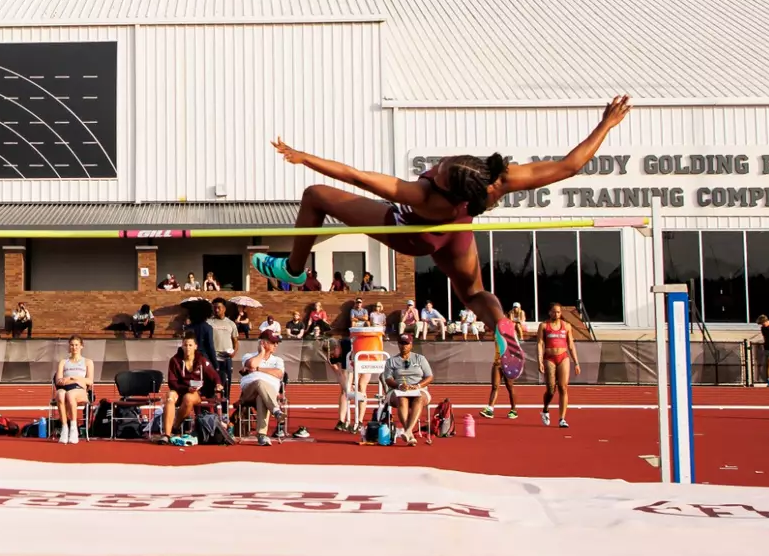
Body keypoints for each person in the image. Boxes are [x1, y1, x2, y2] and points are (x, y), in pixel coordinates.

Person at [257, 95, 632, 380]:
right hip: (456, 235)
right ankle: (499, 322)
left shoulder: (423, 195)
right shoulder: (498, 179)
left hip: (410, 233)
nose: (438, 169)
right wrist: (606, 124)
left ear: (446, 186)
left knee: (315, 196)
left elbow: (357, 177)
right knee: (473, 294)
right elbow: (570, 165)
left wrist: (305, 157)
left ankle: (292, 268)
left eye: (440, 173)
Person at [161, 332, 220, 439]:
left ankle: (176, 426)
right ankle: (166, 434)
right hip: (179, 390)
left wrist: (218, 384)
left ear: (195, 347)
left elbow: (214, 375)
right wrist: (185, 388)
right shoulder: (175, 361)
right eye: (185, 345)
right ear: (182, 346)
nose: (187, 348)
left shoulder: (201, 360)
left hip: (194, 393)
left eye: (190, 345)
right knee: (169, 397)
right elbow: (172, 382)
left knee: (188, 398)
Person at [378, 332, 434, 445]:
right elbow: (387, 379)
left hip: (418, 388)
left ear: (411, 345)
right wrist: (399, 386)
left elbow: (429, 376)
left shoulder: (420, 359)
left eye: (406, 343)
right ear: (398, 345)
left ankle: (408, 432)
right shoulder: (391, 361)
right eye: (401, 343)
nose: (404, 346)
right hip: (398, 389)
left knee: (420, 398)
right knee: (402, 399)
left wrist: (418, 386)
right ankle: (410, 433)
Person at [238, 331, 286, 446]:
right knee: (259, 382)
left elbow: (279, 373)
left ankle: (262, 436)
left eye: (277, 343)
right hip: (249, 392)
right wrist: (261, 353)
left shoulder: (278, 360)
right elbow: (251, 365)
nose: (276, 345)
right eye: (273, 342)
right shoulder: (249, 356)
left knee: (261, 397)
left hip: (268, 393)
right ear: (263, 343)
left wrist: (259, 369)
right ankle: (276, 410)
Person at [537, 302, 579, 427]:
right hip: (549, 358)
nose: (557, 314)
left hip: (563, 357)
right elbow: (539, 344)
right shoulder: (544, 326)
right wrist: (540, 361)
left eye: (559, 312)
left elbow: (571, 345)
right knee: (550, 389)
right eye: (554, 311)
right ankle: (545, 409)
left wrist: (576, 362)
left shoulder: (566, 326)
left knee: (563, 387)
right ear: (550, 312)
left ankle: (562, 418)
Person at [53, 335, 94, 444]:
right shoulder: (63, 362)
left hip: (80, 390)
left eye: (76, 345)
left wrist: (73, 378)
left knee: (70, 395)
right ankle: (64, 428)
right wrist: (69, 381)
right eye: (72, 345)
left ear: (81, 346)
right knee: (60, 394)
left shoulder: (88, 362)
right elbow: (59, 380)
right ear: (69, 346)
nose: (74, 347)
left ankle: (74, 428)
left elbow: (89, 381)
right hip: (65, 388)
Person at [205, 299, 240, 400]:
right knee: (211, 381)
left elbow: (235, 341)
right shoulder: (208, 322)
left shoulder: (231, 324)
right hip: (212, 357)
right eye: (214, 307)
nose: (216, 310)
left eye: (218, 307)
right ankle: (211, 402)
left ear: (224, 309)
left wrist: (234, 352)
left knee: (227, 381)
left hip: (226, 357)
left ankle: (226, 401)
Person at [480, 340, 518, 420]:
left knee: (510, 387)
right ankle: (490, 409)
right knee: (495, 386)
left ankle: (513, 410)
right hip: (497, 363)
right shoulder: (497, 333)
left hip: (508, 363)